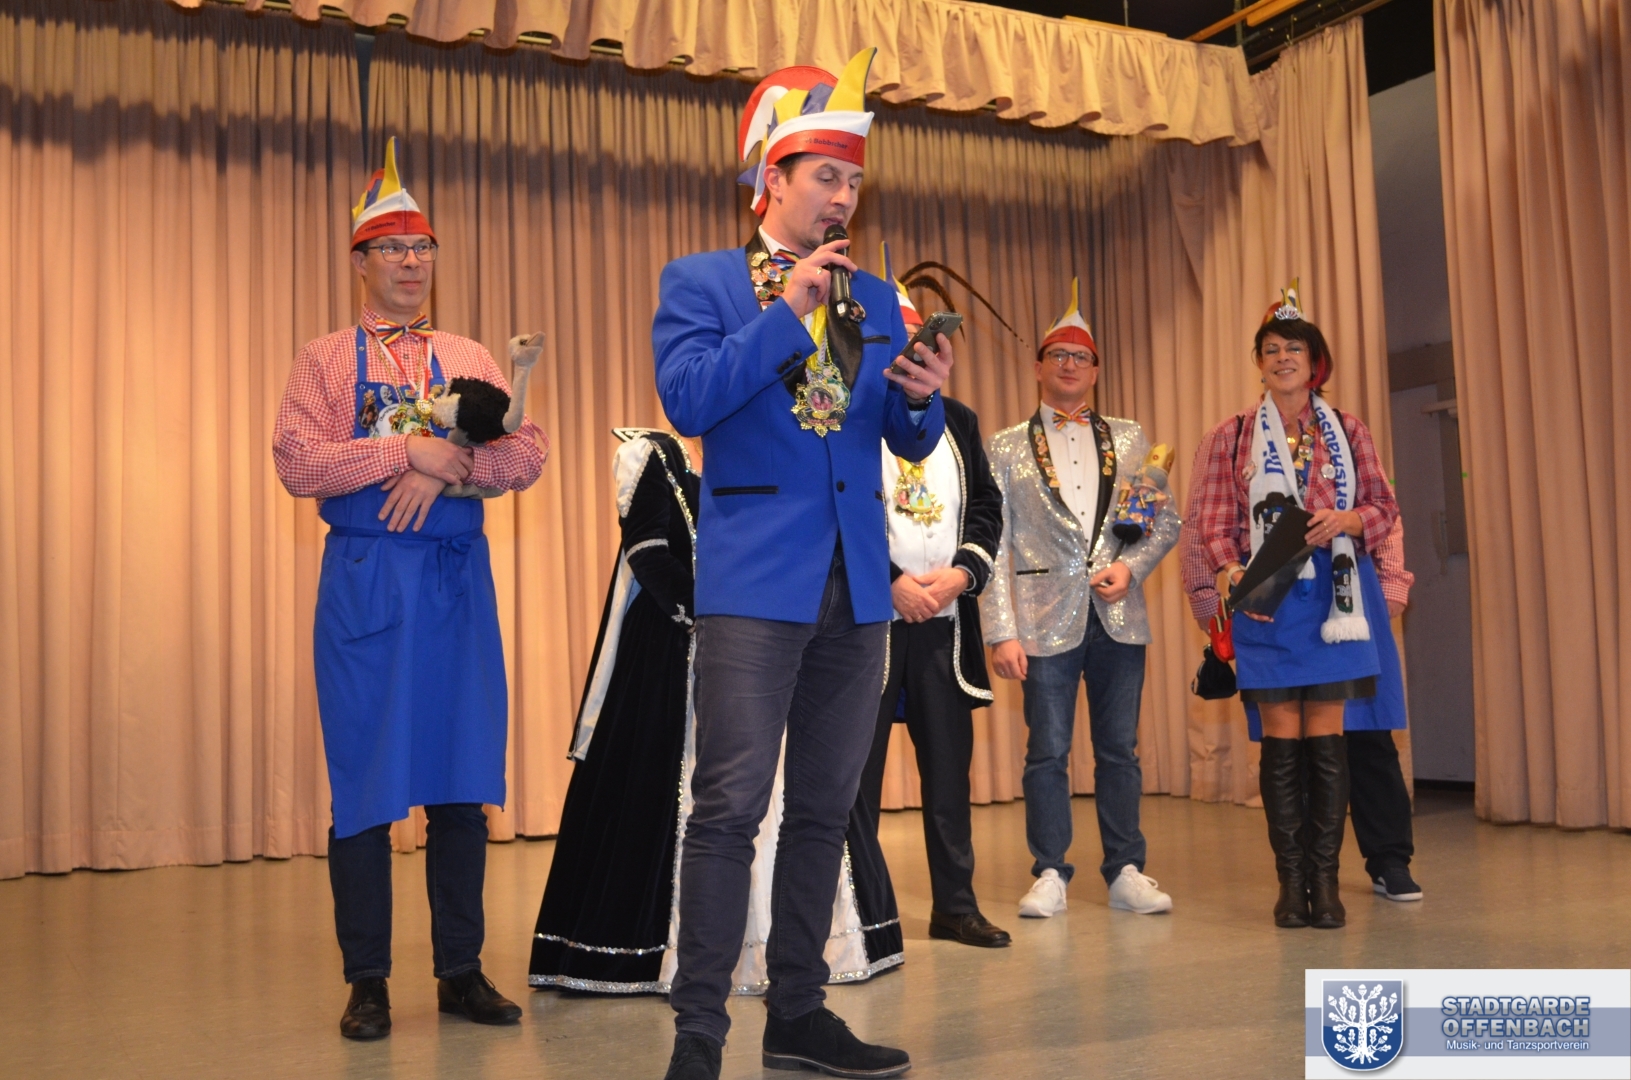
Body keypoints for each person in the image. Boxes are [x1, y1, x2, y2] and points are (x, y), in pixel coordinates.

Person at [650, 48, 952, 1080]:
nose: (843, 197)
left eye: (854, 181)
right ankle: (699, 1035)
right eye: (825, 176)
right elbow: (689, 400)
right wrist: (788, 313)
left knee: (825, 811)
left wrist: (923, 396)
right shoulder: (701, 282)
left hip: (857, 586)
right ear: (770, 181)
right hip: (752, 583)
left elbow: (901, 440)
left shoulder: (875, 296)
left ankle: (797, 1015)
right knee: (728, 810)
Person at [271, 138, 546, 1039]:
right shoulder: (322, 359)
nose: (409, 262)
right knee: (363, 782)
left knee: (461, 779)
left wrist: (446, 470)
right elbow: (298, 461)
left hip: (455, 584)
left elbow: (527, 453)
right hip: (365, 586)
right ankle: (368, 981)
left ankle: (461, 971)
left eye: (421, 247)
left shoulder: (468, 353)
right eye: (391, 248)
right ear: (359, 260)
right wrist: (405, 450)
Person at [529, 430, 899, 994]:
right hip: (679, 644)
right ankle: (691, 979)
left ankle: (795, 967)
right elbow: (647, 550)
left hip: (775, 639)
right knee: (718, 807)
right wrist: (715, 613)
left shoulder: (772, 448)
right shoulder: (654, 455)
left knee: (806, 799)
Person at [1181, 280, 1399, 930]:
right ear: (1259, 361)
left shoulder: (1348, 429)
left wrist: (1347, 520)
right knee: (1280, 742)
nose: (1283, 358)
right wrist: (1231, 572)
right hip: (1266, 598)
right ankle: (1290, 883)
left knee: (1327, 740)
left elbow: (1383, 509)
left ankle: (1325, 885)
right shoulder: (1231, 435)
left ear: (1314, 361)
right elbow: (1212, 520)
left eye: (1294, 348)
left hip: (1336, 600)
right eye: (1272, 349)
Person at [982, 279, 1179, 920]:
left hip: (1119, 615)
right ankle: (1049, 871)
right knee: (1047, 751)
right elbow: (993, 544)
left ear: (1096, 371)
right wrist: (1000, 630)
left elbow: (1163, 522)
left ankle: (1126, 869)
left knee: (1120, 749)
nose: (1069, 365)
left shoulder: (1130, 438)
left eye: (1081, 357)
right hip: (1042, 619)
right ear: (1038, 366)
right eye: (1058, 355)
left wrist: (1132, 568)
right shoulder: (1004, 446)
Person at [847, 246, 1010, 951]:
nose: (911, 355)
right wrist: (888, 579)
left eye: (921, 344)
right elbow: (840, 512)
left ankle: (955, 907)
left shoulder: (961, 421)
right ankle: (859, 912)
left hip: (944, 625)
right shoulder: (851, 419)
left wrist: (960, 576)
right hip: (871, 624)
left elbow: (987, 510)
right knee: (856, 779)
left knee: (948, 778)